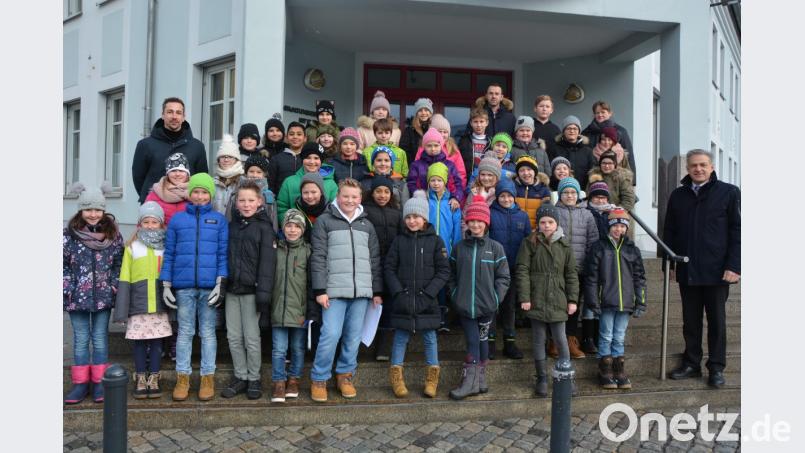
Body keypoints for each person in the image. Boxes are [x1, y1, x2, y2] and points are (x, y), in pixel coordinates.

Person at [664, 149, 740, 389]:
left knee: (717, 321)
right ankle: (691, 363)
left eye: (703, 165)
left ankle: (716, 368)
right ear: (687, 168)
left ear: (712, 167)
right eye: (694, 165)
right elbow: (670, 233)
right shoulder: (678, 195)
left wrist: (734, 265)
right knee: (690, 321)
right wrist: (671, 264)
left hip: (717, 270)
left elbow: (737, 232)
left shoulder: (728, 193)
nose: (698, 169)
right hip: (687, 268)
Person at [309, 179, 383, 402]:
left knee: (352, 337)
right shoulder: (324, 221)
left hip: (361, 292)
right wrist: (320, 289)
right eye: (345, 196)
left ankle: (345, 375)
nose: (349, 200)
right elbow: (318, 257)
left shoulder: (366, 225)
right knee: (330, 334)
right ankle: (319, 377)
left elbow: (374, 260)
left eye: (354, 197)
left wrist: (376, 291)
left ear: (360, 199)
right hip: (333, 291)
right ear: (338, 197)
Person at [160, 173, 228, 402]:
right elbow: (169, 254)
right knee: (185, 332)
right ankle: (183, 377)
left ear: (210, 195)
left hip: (209, 287)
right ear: (190, 194)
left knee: (207, 332)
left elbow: (222, 254)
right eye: (196, 191)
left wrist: (221, 281)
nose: (199, 196)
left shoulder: (219, 220)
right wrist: (166, 283)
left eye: (204, 192)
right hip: (184, 286)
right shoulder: (178, 220)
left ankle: (208, 377)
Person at [384, 191, 451, 398]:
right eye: (409, 217)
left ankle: (432, 379)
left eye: (416, 217)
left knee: (430, 338)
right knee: (400, 337)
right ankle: (397, 377)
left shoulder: (436, 241)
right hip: (403, 299)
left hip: (427, 301)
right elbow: (389, 268)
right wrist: (399, 293)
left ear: (424, 219)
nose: (412, 221)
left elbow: (443, 271)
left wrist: (429, 294)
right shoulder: (399, 241)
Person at [63, 183, 124, 404]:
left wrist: (113, 285)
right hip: (76, 297)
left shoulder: (112, 234)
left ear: (103, 210)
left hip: (103, 296)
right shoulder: (69, 235)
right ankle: (80, 384)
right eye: (88, 209)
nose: (93, 214)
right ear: (81, 210)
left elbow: (119, 262)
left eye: (97, 210)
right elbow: (63, 265)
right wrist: (68, 287)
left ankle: (99, 382)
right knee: (80, 340)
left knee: (99, 339)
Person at [448, 198, 510, 400]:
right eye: (471, 221)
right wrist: (455, 295)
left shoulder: (495, 248)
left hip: (487, 306)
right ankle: (471, 381)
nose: (475, 225)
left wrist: (495, 298)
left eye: (479, 221)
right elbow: (451, 274)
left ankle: (479, 380)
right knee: (473, 340)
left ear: (486, 223)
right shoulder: (460, 247)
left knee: (483, 340)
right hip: (465, 305)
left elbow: (503, 276)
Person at [515, 204, 579, 398]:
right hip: (537, 297)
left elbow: (571, 274)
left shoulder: (564, 245)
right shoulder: (530, 242)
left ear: (556, 223)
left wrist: (572, 299)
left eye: (550, 222)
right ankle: (541, 377)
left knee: (560, 339)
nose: (546, 225)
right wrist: (525, 297)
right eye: (543, 222)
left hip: (558, 298)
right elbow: (522, 270)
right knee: (539, 339)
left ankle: (566, 376)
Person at [221, 181, 276, 401]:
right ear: (236, 203)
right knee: (234, 336)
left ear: (259, 202)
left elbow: (267, 265)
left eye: (251, 200)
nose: (246, 204)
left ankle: (254, 377)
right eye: (242, 200)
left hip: (253, 291)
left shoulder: (264, 228)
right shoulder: (232, 226)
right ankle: (240, 376)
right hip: (233, 289)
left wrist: (264, 293)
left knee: (252, 337)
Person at [114, 202, 172, 399]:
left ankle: (154, 377)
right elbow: (124, 278)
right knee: (139, 344)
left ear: (161, 224)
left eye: (154, 222)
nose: (149, 225)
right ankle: (140, 377)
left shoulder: (165, 247)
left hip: (158, 304)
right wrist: (122, 311)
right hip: (138, 305)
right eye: (145, 221)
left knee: (157, 343)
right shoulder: (132, 248)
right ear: (139, 224)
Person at [584, 208, 647, 390]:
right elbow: (591, 278)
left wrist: (640, 301)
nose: (619, 229)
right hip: (606, 301)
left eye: (622, 226)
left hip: (626, 302)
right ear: (609, 227)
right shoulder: (599, 247)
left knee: (619, 337)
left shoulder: (632, 249)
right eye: (615, 226)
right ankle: (605, 370)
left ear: (626, 228)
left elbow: (640, 277)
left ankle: (619, 370)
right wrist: (592, 301)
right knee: (605, 335)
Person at [270, 209, 314, 403]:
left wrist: (309, 310)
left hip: (299, 310)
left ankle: (293, 379)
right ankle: (279, 382)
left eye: (297, 226)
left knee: (297, 348)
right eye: (289, 225)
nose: (292, 230)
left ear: (303, 229)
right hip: (278, 309)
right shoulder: (275, 249)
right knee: (279, 349)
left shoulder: (307, 251)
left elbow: (311, 283)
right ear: (283, 227)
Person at [553, 177, 598, 360]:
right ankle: (555, 340)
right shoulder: (554, 212)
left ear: (578, 194)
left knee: (573, 305)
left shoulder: (587, 214)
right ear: (560, 194)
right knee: (556, 304)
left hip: (578, 268)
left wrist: (589, 266)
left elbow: (592, 241)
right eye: (566, 192)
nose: (569, 196)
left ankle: (570, 339)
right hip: (557, 268)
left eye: (573, 192)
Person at [132, 97, 208, 203]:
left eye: (178, 113)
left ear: (183, 117)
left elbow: (202, 178)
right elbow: (138, 178)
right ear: (163, 115)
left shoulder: (197, 146)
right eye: (170, 112)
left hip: (187, 207)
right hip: (154, 207)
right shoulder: (145, 145)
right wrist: (150, 197)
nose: (174, 116)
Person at [488, 178, 531, 360]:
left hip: (513, 268)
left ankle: (510, 342)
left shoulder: (522, 216)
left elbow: (528, 241)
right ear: (497, 197)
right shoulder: (490, 213)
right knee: (491, 305)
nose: (506, 199)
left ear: (514, 197)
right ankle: (489, 343)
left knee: (509, 306)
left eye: (509, 196)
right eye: (502, 196)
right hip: (492, 269)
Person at [362, 176, 403, 361]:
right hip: (370, 263)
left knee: (389, 306)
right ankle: (364, 342)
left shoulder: (396, 212)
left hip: (391, 264)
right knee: (370, 304)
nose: (382, 195)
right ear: (372, 192)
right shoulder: (365, 211)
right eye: (378, 191)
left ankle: (384, 347)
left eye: (386, 191)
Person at [426, 164, 463, 333]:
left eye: (439, 180)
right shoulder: (425, 201)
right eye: (432, 180)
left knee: (442, 284)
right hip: (427, 250)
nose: (435, 183)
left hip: (445, 250)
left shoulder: (452, 203)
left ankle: (442, 315)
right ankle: (429, 314)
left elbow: (456, 230)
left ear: (445, 182)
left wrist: (454, 250)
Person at [276, 142, 338, 223]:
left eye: (316, 158)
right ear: (302, 159)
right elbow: (281, 208)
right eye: (308, 158)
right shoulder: (289, 182)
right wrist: (292, 225)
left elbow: (336, 208)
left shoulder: (330, 183)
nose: (312, 162)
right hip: (296, 231)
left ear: (321, 161)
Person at [581, 101, 637, 185]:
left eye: (603, 112)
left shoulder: (620, 131)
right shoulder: (587, 133)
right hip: (593, 178)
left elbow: (629, 158)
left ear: (610, 113)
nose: (600, 115)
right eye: (597, 113)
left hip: (617, 180)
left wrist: (632, 182)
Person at [407, 127, 465, 205]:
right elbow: (411, 183)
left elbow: (458, 184)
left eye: (436, 145)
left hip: (445, 204)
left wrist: (455, 197)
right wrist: (418, 195)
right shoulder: (416, 165)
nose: (433, 149)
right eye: (429, 146)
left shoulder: (449, 165)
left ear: (441, 146)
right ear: (424, 147)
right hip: (423, 203)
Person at [414, 114, 467, 185]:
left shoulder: (453, 149)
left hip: (450, 190)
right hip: (426, 188)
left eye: (445, 132)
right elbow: (416, 170)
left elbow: (461, 173)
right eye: (439, 131)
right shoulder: (423, 148)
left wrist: (458, 192)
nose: (442, 135)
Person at [547, 115, 596, 189]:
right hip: (560, 190)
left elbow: (593, 171)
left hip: (582, 191)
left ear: (579, 132)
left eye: (575, 129)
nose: (572, 131)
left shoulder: (587, 151)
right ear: (563, 131)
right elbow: (549, 171)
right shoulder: (554, 149)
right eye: (568, 128)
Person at [144, 153, 190, 227]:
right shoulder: (155, 194)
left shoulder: (196, 193)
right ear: (167, 173)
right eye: (173, 170)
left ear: (187, 174)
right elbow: (144, 220)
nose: (177, 174)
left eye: (181, 171)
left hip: (187, 237)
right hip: (161, 237)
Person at [241, 155, 279, 233]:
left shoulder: (268, 196)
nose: (255, 175)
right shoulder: (237, 193)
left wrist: (273, 237)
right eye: (251, 171)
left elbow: (273, 219)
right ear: (246, 173)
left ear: (264, 174)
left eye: (259, 172)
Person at [512, 155, 551, 229]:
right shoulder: (512, 187)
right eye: (522, 170)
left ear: (535, 171)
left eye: (529, 169)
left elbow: (546, 212)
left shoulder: (543, 189)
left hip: (535, 230)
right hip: (515, 228)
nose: (526, 173)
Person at [267, 121, 306, 194]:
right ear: (286, 138)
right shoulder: (276, 159)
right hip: (280, 202)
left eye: (299, 134)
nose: (295, 137)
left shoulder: (308, 159)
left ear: (305, 138)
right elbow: (271, 185)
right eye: (291, 134)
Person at [212, 134, 245, 220]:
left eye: (230, 157)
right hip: (216, 227)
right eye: (223, 157)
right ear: (218, 160)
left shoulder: (244, 182)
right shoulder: (212, 182)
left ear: (236, 160)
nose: (226, 160)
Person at [294, 173, 330, 241]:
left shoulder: (330, 210)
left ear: (321, 192)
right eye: (305, 192)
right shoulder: (297, 209)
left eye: (313, 192)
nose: (309, 196)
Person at [457, 108, 490, 180]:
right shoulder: (464, 141)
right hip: (468, 179)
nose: (478, 125)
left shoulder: (491, 142)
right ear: (471, 123)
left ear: (487, 123)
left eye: (481, 121)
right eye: (475, 122)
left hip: (486, 179)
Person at [399, 97, 433, 164]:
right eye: (420, 110)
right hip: (414, 168)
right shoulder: (409, 131)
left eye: (426, 110)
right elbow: (403, 151)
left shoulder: (434, 130)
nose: (423, 113)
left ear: (430, 113)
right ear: (416, 113)